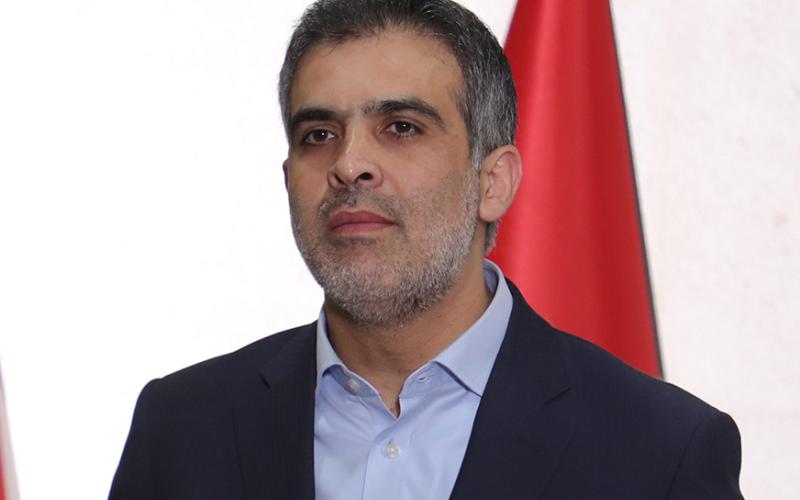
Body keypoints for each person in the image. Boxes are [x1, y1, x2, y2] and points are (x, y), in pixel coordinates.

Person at [109, 0, 744, 498]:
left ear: (492, 182)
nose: (349, 164)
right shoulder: (181, 429)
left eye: (401, 127)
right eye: (319, 134)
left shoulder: (662, 451)